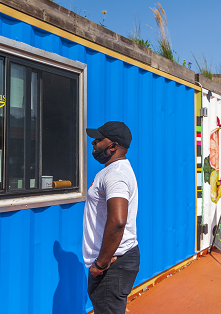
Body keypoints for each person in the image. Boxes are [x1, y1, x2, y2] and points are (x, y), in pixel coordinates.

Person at [83, 121, 140, 313]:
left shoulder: (115, 174)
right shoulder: (114, 170)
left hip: (112, 264)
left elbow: (117, 221)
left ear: (113, 146)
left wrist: (101, 263)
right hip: (115, 260)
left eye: (99, 139)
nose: (93, 143)